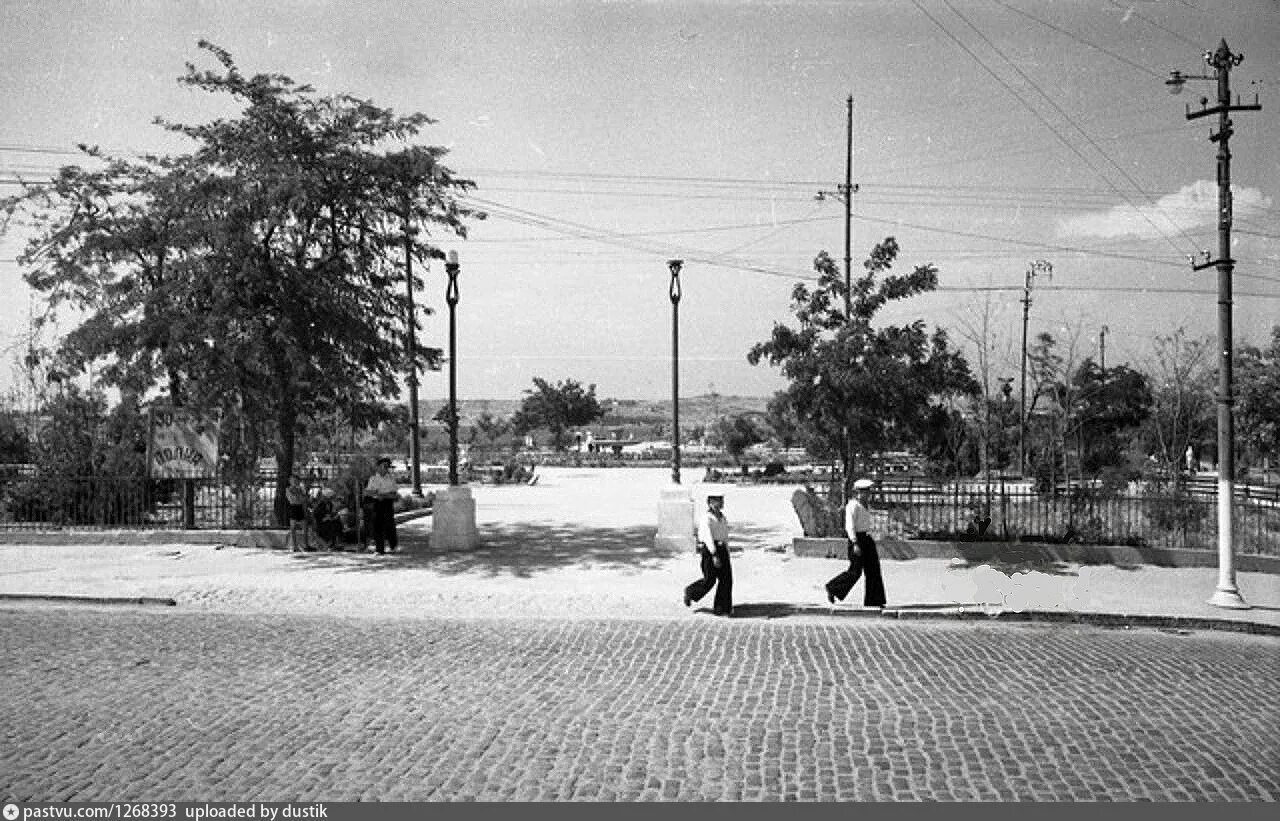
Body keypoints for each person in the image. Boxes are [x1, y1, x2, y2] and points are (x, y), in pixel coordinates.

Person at [825, 478, 886, 608]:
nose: (867, 494)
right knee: (855, 571)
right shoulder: (853, 505)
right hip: (857, 539)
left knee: (873, 570)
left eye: (868, 491)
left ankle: (874, 600)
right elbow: (850, 526)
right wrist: (855, 543)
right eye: (864, 492)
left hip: (867, 538)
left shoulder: (865, 505)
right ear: (857, 492)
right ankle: (833, 587)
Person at [683, 493, 733, 617]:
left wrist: (726, 551)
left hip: (722, 549)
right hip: (711, 551)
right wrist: (714, 554)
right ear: (710, 503)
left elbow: (725, 536)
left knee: (726, 579)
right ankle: (690, 592)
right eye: (717, 501)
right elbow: (708, 537)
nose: (720, 503)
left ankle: (721, 606)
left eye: (721, 500)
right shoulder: (707, 518)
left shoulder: (722, 518)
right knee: (709, 580)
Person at [364, 457, 400, 554]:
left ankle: (393, 545)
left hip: (387, 503)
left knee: (389, 524)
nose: (386, 468)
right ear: (378, 467)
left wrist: (382, 495)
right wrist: (375, 493)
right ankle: (379, 549)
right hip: (377, 503)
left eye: (387, 466)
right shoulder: (373, 479)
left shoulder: (391, 479)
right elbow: (368, 492)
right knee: (377, 525)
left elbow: (395, 494)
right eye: (384, 466)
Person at [285, 473, 312, 552]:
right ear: (290, 481)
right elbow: (293, 499)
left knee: (305, 527)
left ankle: (305, 545)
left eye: (297, 480)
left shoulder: (300, 489)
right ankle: (295, 546)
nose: (295, 482)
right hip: (293, 508)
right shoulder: (288, 489)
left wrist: (301, 498)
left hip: (300, 508)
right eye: (293, 480)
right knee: (293, 528)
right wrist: (300, 497)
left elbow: (304, 499)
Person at [312, 487, 342, 551]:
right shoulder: (320, 504)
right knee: (318, 532)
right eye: (331, 497)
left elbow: (331, 513)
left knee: (337, 524)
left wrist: (333, 516)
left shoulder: (330, 504)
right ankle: (326, 545)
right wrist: (326, 517)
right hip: (321, 523)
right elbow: (316, 514)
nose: (331, 498)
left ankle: (332, 544)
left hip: (328, 522)